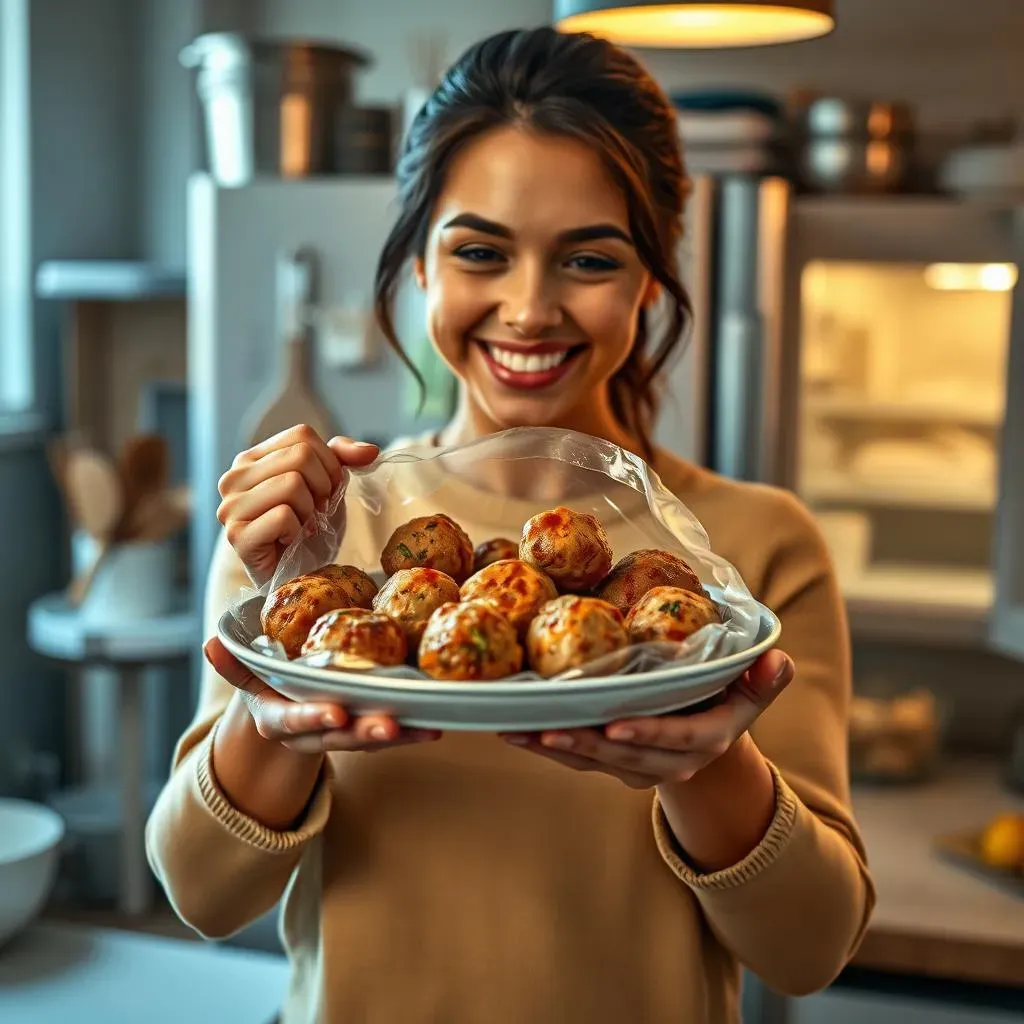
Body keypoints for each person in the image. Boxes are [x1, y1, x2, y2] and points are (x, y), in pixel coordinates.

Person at [146, 26, 874, 1024]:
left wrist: (710, 762)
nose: (528, 310)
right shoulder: (319, 532)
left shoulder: (752, 551)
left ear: (649, 279)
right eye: (481, 251)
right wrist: (271, 713)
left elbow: (810, 947)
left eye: (587, 258)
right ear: (418, 270)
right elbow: (201, 892)